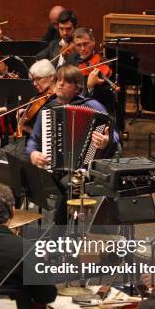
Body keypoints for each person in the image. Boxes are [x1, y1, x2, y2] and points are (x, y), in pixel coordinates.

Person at [26, 64, 117, 224]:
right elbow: (33, 140)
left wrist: (105, 141)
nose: (60, 84)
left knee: (71, 183)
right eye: (58, 80)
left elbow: (114, 135)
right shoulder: (47, 110)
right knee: (26, 176)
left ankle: (59, 230)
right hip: (51, 166)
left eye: (66, 82)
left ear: (77, 88)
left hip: (85, 167)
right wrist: (33, 153)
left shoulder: (93, 106)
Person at [0, 59, 58, 182]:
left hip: (37, 148)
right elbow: (21, 105)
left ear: (51, 77)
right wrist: (5, 112)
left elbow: (46, 135)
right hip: (26, 142)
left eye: (38, 79)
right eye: (33, 80)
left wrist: (24, 127)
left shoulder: (54, 102)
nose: (34, 83)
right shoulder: (40, 96)